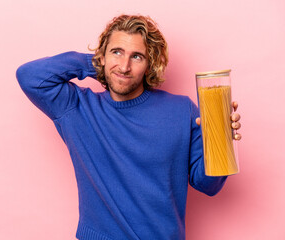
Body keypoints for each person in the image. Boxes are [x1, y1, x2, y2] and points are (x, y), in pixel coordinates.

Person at [16, 14, 241, 240]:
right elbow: (29, 76)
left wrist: (222, 141)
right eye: (117, 52)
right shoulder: (76, 108)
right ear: (102, 55)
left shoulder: (182, 110)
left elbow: (208, 185)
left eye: (137, 56)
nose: (124, 66)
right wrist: (97, 63)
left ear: (150, 64)